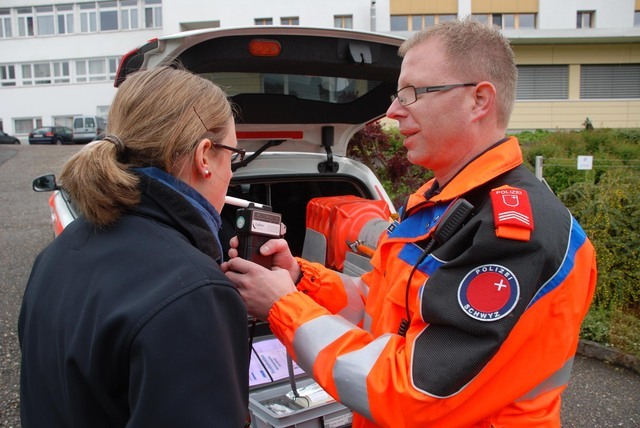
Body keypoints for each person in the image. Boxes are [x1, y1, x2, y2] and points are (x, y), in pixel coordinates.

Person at [223, 18, 597, 428]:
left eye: (412, 93)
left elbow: (414, 393)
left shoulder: (516, 235)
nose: (393, 110)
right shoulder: (441, 203)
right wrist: (298, 278)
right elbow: (374, 306)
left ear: (479, 100)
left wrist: (282, 305)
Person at [18, 66, 250, 427]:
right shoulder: (194, 293)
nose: (232, 172)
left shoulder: (56, 254)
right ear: (205, 156)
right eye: (233, 156)